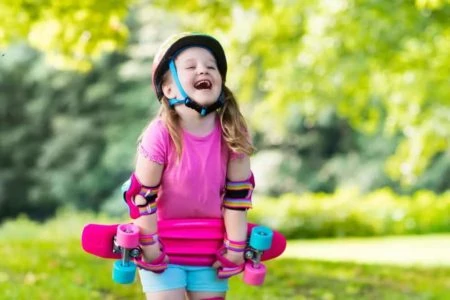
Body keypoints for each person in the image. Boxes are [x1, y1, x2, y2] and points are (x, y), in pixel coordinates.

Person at [122, 32, 255, 300]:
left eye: (211, 66)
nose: (203, 69)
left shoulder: (233, 132)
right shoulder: (159, 134)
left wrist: (235, 248)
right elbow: (141, 196)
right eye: (191, 66)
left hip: (209, 246)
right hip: (161, 243)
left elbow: (237, 197)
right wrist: (150, 248)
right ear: (169, 89)